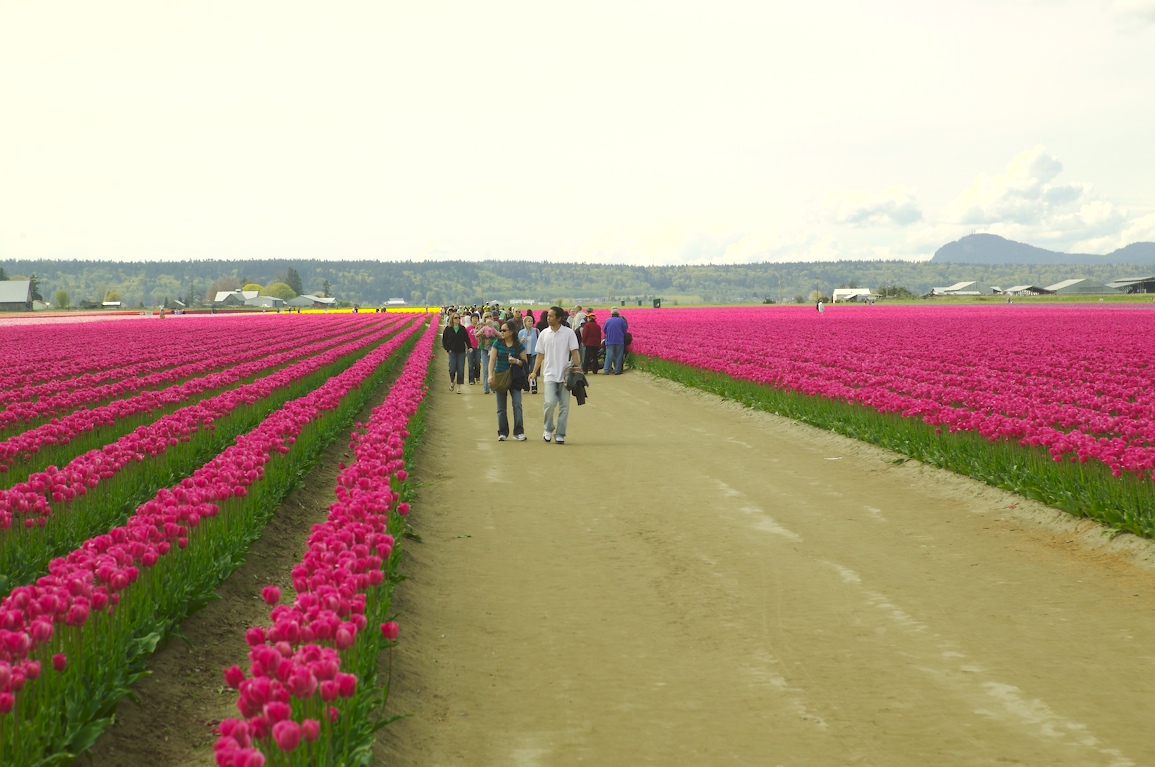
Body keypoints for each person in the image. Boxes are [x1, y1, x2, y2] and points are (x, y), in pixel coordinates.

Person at [530, 306, 581, 445]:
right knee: (550, 403)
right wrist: (534, 371)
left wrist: (578, 371)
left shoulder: (569, 333)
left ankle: (560, 434)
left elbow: (574, 353)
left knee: (564, 406)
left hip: (565, 375)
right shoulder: (544, 334)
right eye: (548, 316)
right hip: (549, 375)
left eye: (551, 316)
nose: (548, 318)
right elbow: (540, 355)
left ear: (559, 318)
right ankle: (548, 428)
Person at [488, 320, 530, 441]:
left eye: (504, 330)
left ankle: (518, 431)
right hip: (500, 376)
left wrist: (516, 361)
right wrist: (490, 375)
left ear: (511, 332)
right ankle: (502, 432)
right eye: (501, 330)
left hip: (514, 378)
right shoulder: (497, 343)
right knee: (501, 408)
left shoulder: (518, 345)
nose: (501, 332)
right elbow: (492, 360)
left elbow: (524, 362)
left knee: (517, 405)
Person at [441, 313, 469, 393]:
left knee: (460, 369)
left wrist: (469, 347)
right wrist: (447, 349)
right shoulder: (448, 329)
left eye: (458, 318)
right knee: (452, 369)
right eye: (455, 318)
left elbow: (466, 339)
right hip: (452, 351)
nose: (457, 319)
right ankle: (452, 381)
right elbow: (444, 340)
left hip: (461, 351)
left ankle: (459, 387)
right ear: (452, 319)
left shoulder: (462, 329)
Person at [602, 307, 627, 375]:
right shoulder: (622, 321)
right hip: (619, 341)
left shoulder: (608, 321)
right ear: (618, 313)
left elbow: (604, 330)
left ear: (611, 314)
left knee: (609, 356)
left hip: (609, 341)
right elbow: (625, 330)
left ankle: (606, 370)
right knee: (619, 356)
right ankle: (617, 370)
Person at [518, 315, 539, 394]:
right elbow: (518, 344)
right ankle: (526, 387)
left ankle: (534, 387)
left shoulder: (536, 331)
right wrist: (521, 341)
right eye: (529, 321)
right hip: (524, 353)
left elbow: (540, 341)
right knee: (525, 371)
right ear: (525, 323)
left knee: (533, 370)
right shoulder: (521, 332)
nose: (530, 322)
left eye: (531, 321)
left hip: (533, 353)